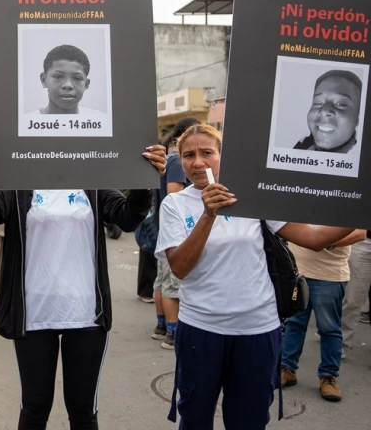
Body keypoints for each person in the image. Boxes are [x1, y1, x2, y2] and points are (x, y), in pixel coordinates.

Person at [0, 121, 166, 429]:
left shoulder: (93, 184)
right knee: (34, 409)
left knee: (83, 412)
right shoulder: (18, 184)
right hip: (33, 314)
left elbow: (127, 218)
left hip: (85, 315)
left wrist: (144, 178)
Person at [154, 124, 354, 429]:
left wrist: (360, 209)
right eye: (188, 155)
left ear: (224, 155)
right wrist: (208, 215)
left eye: (207, 153)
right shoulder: (175, 205)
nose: (198, 162)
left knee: (248, 420)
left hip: (257, 330)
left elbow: (313, 238)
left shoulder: (252, 196)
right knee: (195, 417)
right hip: (201, 329)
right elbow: (180, 267)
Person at [281, 228, 366, 402]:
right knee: (294, 323)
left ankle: (328, 376)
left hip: (330, 274)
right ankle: (287, 368)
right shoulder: (299, 200)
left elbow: (360, 233)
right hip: (297, 269)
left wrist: (325, 241)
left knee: (329, 328)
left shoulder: (344, 201)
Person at [152, 117, 200, 349]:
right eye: (190, 154)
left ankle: (162, 326)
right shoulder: (174, 163)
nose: (198, 161)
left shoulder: (168, 160)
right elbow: (173, 193)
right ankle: (172, 334)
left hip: (168, 230)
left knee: (163, 282)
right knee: (171, 285)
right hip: (175, 232)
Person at [293, 69, 362, 154]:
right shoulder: (301, 147)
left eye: (341, 104)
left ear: (359, 116)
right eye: (318, 103)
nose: (324, 111)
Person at [30, 44, 98, 115]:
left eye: (77, 78)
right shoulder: (28, 122)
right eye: (58, 77)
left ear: (86, 84)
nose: (68, 85)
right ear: (44, 80)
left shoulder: (97, 121)